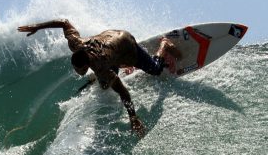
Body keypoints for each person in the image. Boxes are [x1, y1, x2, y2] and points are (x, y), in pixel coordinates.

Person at [17, 19, 181, 138]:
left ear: (86, 65)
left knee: (155, 70)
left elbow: (124, 93)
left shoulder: (101, 67)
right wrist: (38, 27)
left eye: (79, 70)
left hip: (126, 44)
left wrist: (133, 117)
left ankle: (164, 45)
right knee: (104, 85)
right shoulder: (76, 43)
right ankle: (119, 65)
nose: (77, 72)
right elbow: (64, 23)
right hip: (111, 36)